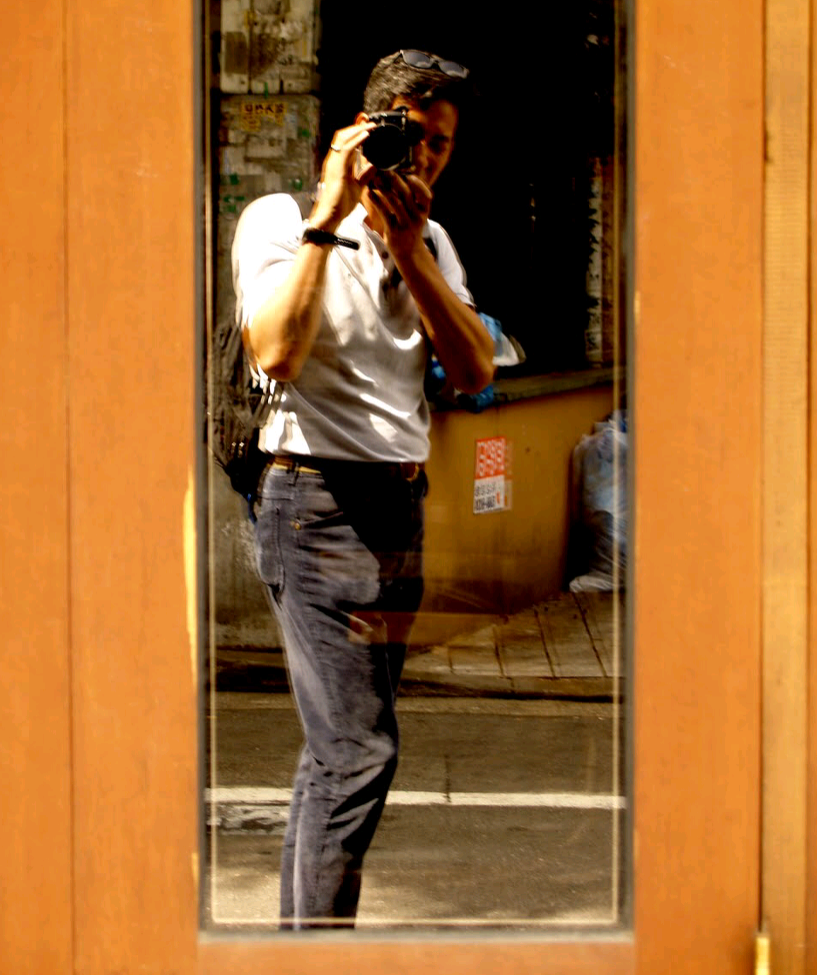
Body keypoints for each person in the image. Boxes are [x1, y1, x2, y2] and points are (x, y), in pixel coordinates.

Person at [231, 49, 494, 928]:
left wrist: (411, 253)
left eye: (443, 144)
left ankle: (301, 940)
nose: (425, 158)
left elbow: (474, 369)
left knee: (336, 749)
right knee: (358, 750)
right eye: (410, 136)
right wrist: (329, 215)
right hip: (314, 509)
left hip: (397, 513)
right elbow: (277, 350)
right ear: (363, 130)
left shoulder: (433, 241)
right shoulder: (280, 219)